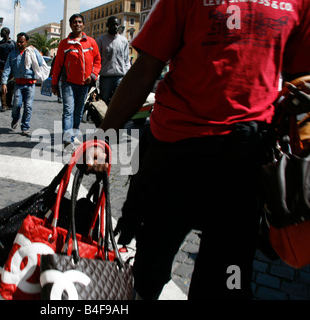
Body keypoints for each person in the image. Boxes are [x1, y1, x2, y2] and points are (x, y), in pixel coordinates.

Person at [86, 0, 310, 300]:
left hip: (247, 162)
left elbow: (300, 72)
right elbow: (145, 69)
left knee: (228, 279)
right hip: (175, 154)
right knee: (149, 267)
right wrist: (103, 137)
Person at [51, 14, 101, 149]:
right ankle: (67, 139)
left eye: (79, 22)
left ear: (83, 25)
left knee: (78, 112)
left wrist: (93, 75)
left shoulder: (91, 42)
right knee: (68, 110)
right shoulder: (64, 44)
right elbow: (57, 65)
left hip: (85, 84)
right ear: (70, 25)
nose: (77, 24)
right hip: (68, 83)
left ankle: (72, 135)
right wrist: (54, 83)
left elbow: (97, 61)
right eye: (74, 22)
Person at [1, 32, 44, 135]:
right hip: (18, 85)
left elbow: (41, 62)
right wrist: (4, 83)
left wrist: (35, 51)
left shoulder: (31, 52)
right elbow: (7, 69)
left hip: (30, 84)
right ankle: (15, 118)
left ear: (26, 42)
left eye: (21, 42)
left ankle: (25, 126)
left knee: (28, 106)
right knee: (17, 104)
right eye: (18, 42)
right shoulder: (12, 54)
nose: (19, 44)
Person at [96, 16, 130, 106]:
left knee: (118, 102)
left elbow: (126, 59)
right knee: (104, 101)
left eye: (116, 25)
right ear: (107, 25)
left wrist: (127, 73)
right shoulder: (100, 40)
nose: (114, 27)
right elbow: (97, 60)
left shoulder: (124, 40)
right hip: (105, 77)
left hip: (120, 76)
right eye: (112, 24)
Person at [0, 27, 16, 112]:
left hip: (12, 69)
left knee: (11, 88)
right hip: (1, 69)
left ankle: (9, 103)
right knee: (3, 86)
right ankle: (4, 105)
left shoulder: (13, 44)